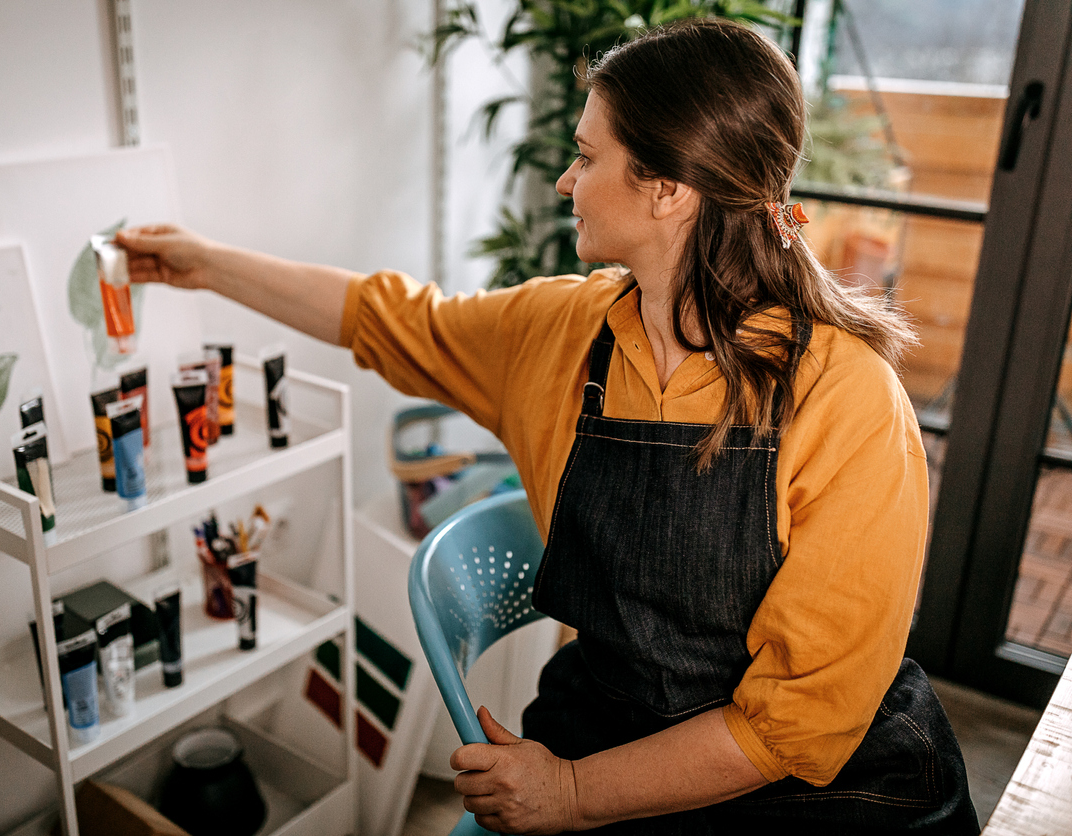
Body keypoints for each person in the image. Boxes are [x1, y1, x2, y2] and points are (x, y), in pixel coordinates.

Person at [118, 17, 977, 835]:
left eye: (586, 156)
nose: (566, 181)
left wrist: (571, 792)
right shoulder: (560, 333)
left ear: (668, 189)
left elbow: (798, 725)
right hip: (611, 720)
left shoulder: (849, 400)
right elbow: (381, 317)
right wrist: (204, 266)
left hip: (813, 789)